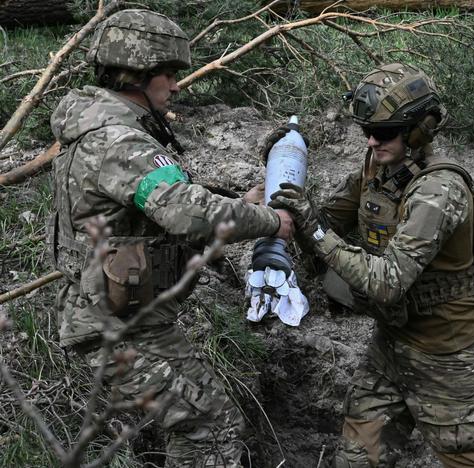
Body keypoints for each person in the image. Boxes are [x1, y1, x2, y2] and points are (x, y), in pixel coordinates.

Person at [48, 9, 293, 467]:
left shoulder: (101, 129)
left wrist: (238, 204)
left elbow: (161, 213)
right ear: (137, 72)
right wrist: (269, 220)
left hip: (123, 317)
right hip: (115, 326)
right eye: (168, 75)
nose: (176, 86)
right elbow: (186, 214)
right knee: (207, 425)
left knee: (207, 420)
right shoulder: (119, 141)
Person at [269, 63, 474, 467]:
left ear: (419, 129)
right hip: (392, 344)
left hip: (447, 356)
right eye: (366, 132)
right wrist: (278, 174)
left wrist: (317, 232)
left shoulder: (439, 191)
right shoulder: (379, 164)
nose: (372, 141)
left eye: (385, 132)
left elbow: (386, 281)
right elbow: (325, 218)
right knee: (357, 458)